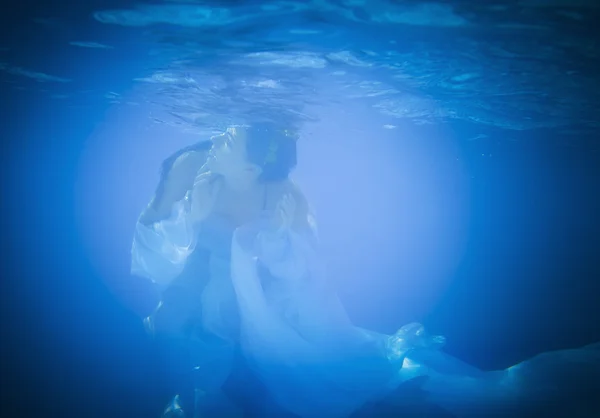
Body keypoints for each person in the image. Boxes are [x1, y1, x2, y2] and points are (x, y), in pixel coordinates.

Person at [132, 123, 600, 418]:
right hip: (212, 307)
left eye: (230, 141)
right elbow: (166, 241)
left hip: (258, 311)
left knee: (288, 381)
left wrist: (254, 256)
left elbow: (300, 267)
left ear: (254, 166)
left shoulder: (280, 199)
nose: (218, 141)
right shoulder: (203, 181)